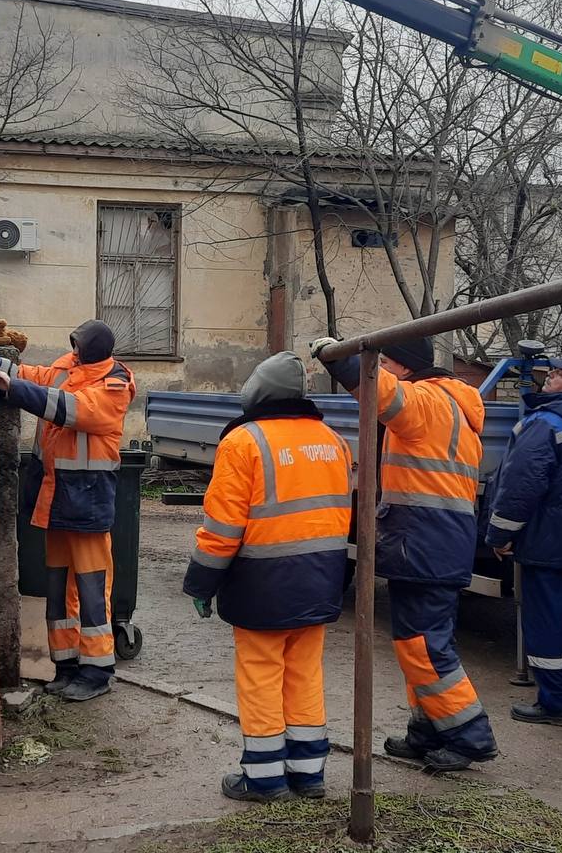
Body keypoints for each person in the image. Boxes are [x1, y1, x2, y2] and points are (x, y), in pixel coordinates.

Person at [312, 334, 498, 772]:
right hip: (434, 539)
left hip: (425, 540)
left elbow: (383, 393)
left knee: (423, 644)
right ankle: (430, 728)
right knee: (424, 641)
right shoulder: (452, 402)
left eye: (386, 363)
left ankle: (470, 735)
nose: (383, 370)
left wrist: (338, 358)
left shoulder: (428, 402)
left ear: (401, 366)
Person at [183, 352, 351, 802]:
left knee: (260, 675)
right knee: (305, 674)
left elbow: (222, 528)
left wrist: (201, 583)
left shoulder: (243, 442)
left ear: (258, 390)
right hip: (321, 578)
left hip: (262, 583)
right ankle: (308, 773)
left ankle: (263, 778)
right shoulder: (333, 440)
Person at [0, 320, 134, 702]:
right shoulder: (69, 367)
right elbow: (26, 373)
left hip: (89, 502)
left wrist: (14, 389)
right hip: (59, 498)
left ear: (90, 350)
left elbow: (67, 408)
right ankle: (66, 666)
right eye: (74, 345)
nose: (75, 350)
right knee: (59, 589)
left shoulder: (114, 385)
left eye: (80, 345)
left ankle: (97, 672)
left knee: (93, 591)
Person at [485, 358, 562, 725]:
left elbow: (520, 487)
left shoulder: (545, 424)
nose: (550, 375)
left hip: (550, 545)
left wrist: (500, 535)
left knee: (548, 622)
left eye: (560, 372)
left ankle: (555, 703)